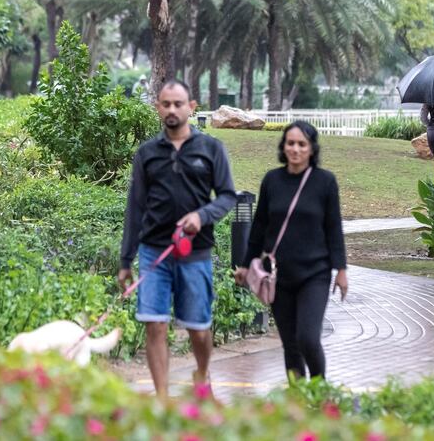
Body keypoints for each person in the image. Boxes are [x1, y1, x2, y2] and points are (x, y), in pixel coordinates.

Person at [118, 78, 236, 399]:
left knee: (198, 328)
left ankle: (201, 375)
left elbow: (227, 196)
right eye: (166, 104)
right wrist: (125, 259)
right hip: (153, 253)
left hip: (195, 253)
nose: (172, 109)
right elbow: (136, 206)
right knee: (154, 325)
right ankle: (163, 400)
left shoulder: (211, 149)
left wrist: (202, 216)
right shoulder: (147, 153)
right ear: (158, 107)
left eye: (178, 104)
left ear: (191, 108)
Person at [234, 121, 348, 381]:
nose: (295, 149)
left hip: (314, 274)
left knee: (307, 337)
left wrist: (341, 270)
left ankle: (318, 391)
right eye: (291, 143)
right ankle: (297, 401)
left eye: (302, 144)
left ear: (311, 149)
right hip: (279, 276)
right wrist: (245, 263)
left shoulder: (325, 182)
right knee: (291, 346)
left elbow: (333, 228)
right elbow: (260, 226)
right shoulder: (272, 180)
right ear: (283, 146)